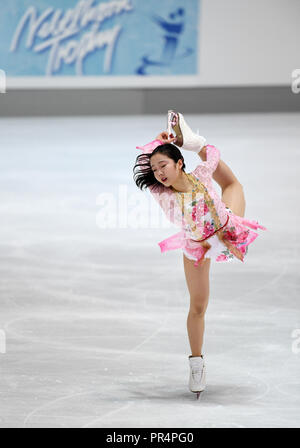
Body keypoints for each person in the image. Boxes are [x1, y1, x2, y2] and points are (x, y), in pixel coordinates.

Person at [133, 111, 267, 398]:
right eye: (155, 169)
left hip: (228, 228)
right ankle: (197, 362)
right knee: (198, 307)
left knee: (234, 185)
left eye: (164, 165)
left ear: (179, 163)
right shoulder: (163, 193)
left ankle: (192, 138)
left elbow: (214, 156)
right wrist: (156, 143)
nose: (159, 173)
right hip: (198, 247)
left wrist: (194, 145)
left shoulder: (202, 175)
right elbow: (145, 162)